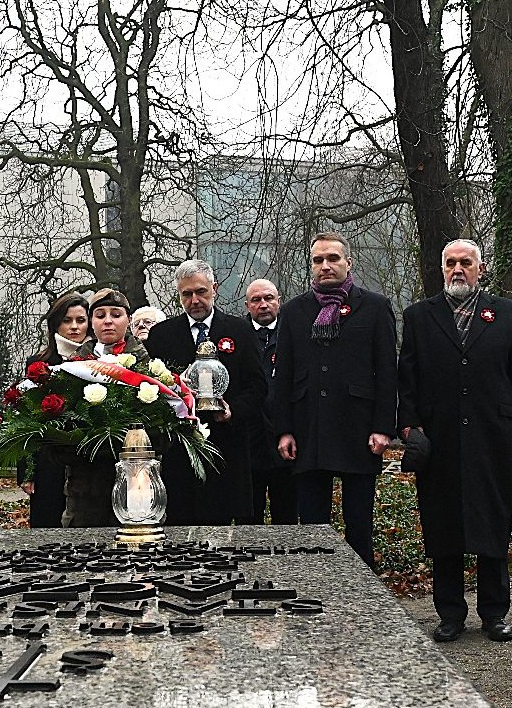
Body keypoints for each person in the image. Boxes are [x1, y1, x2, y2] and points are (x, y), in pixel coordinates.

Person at [397, 239, 512, 643]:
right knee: (443, 525)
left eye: (465, 263)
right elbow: (408, 379)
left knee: (492, 523)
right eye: (450, 262)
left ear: (480, 268)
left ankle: (494, 614)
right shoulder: (419, 316)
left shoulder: (506, 314)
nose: (457, 269)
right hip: (440, 438)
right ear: (442, 269)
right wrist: (410, 427)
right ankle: (450, 614)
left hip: (492, 437)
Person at [267, 232, 397, 568]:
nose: (325, 266)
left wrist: (383, 427)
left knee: (359, 527)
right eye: (318, 260)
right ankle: (318, 597)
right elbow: (283, 374)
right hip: (309, 429)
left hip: (358, 430)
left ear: (348, 263)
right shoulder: (295, 311)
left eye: (333, 259)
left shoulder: (375, 306)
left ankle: (365, 604)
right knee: (312, 529)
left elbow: (386, 372)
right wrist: (284, 430)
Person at [146, 260, 268, 525]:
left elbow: (258, 386)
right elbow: (151, 390)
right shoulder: (161, 335)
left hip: (227, 449)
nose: (195, 300)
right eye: (186, 294)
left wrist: (232, 410)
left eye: (201, 292)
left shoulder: (241, 330)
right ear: (178, 294)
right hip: (180, 450)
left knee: (222, 536)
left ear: (214, 289)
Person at [63, 288, 150, 526]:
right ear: (91, 322)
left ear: (128, 320)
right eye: (100, 315)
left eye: (116, 314)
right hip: (85, 488)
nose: (108, 321)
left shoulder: (147, 366)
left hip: (135, 485)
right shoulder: (74, 366)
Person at [19, 292, 90, 528]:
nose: (74, 327)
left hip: (87, 459)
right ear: (55, 324)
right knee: (48, 529)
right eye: (66, 320)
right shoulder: (39, 363)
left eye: (80, 320)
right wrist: (27, 472)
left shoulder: (99, 359)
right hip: (49, 460)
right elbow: (26, 419)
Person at [244, 277, 297, 525]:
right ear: (247, 305)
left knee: (285, 517)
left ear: (279, 302)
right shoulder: (238, 335)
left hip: (285, 440)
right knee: (249, 518)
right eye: (256, 300)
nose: (263, 304)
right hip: (249, 441)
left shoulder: (293, 334)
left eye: (269, 298)